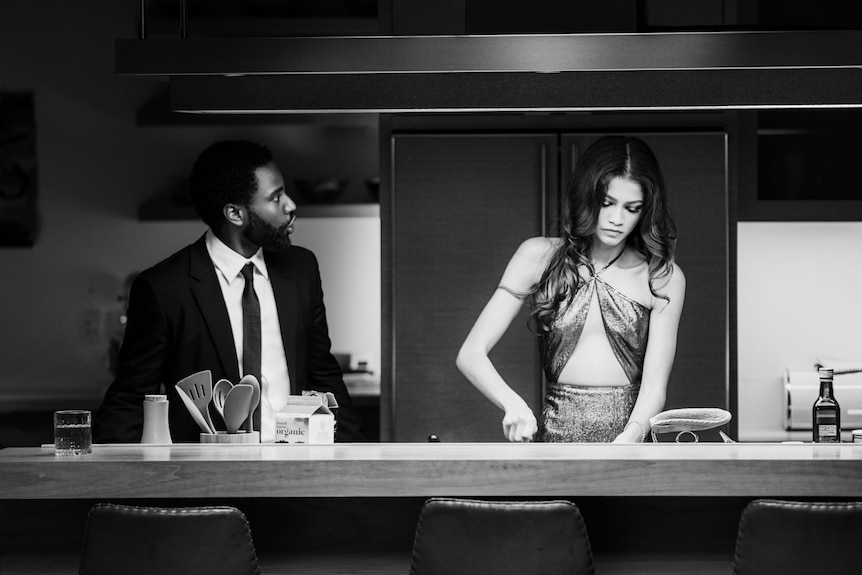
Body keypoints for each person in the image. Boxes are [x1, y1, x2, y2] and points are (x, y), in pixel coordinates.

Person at [93, 140, 365, 443]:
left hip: (298, 466)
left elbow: (324, 374)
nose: (290, 205)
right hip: (206, 478)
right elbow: (131, 397)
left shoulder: (302, 269)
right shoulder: (164, 288)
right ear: (235, 213)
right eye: (275, 198)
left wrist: (355, 462)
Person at [456, 135, 685, 443]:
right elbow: (470, 354)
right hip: (553, 444)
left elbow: (655, 388)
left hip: (628, 447)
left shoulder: (661, 277)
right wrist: (513, 404)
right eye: (607, 203)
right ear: (586, 195)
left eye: (632, 208)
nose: (617, 219)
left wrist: (629, 439)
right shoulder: (538, 256)